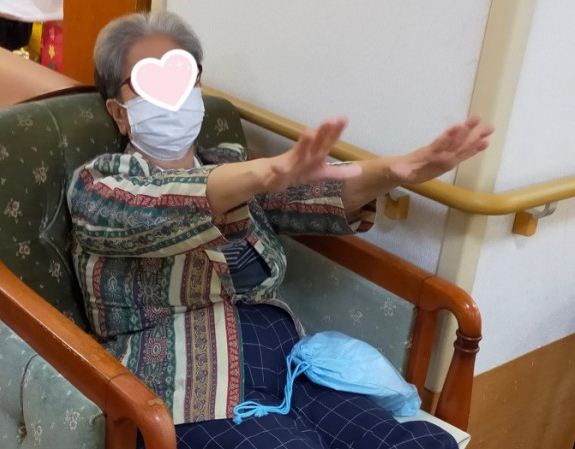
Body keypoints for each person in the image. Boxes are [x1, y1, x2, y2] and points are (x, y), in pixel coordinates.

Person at [67, 10, 493, 449]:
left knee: (416, 444)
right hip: (190, 389)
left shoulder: (230, 162)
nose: (173, 95)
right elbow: (161, 206)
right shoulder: (97, 186)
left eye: (183, 75)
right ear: (119, 113)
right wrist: (263, 174)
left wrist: (399, 170)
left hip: (291, 368)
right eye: (149, 81)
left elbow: (314, 194)